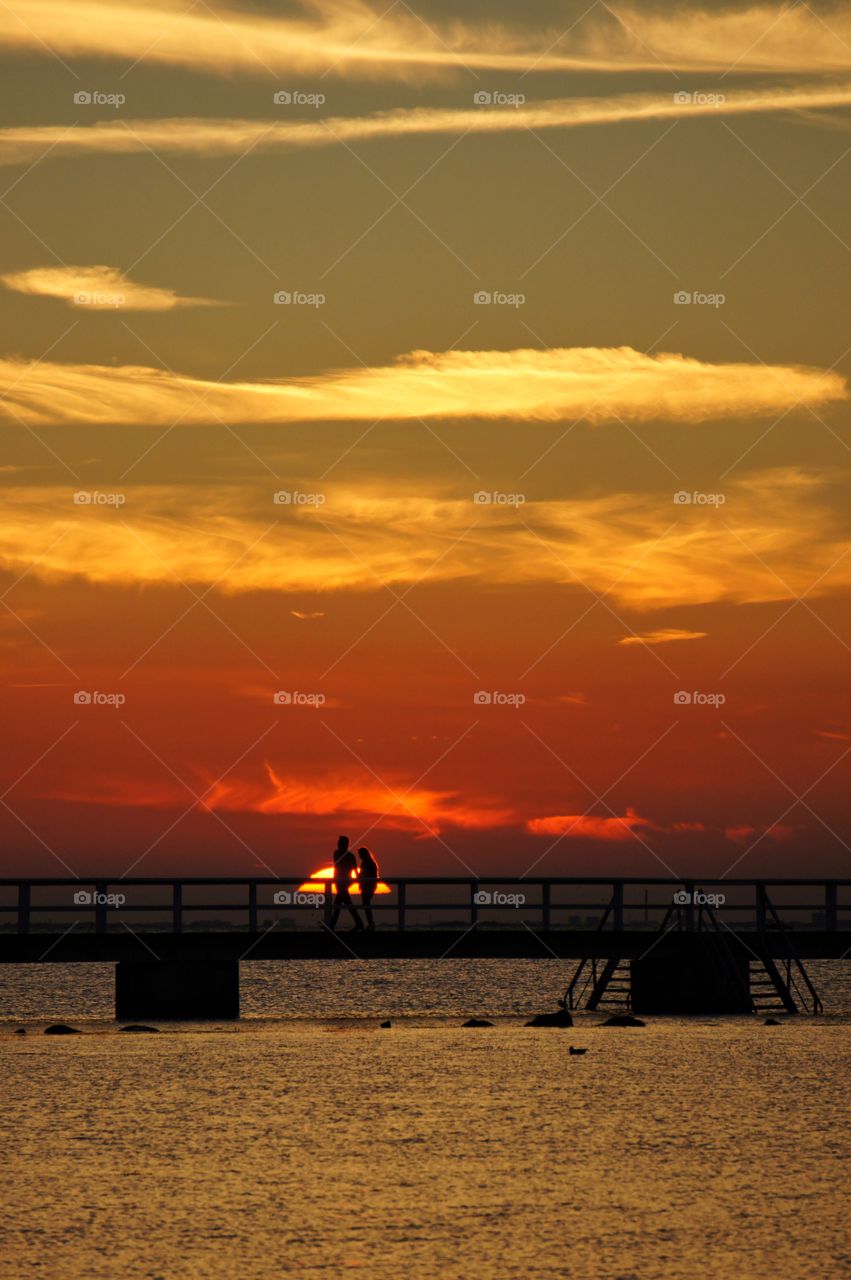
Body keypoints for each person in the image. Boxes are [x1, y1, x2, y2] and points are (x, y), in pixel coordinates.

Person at [330, 835, 363, 932]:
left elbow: (353, 869)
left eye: (340, 843)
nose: (339, 845)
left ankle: (331, 925)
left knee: (338, 903)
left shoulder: (342, 854)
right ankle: (358, 923)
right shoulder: (346, 855)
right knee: (344, 902)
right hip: (340, 881)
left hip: (344, 882)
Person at [358, 847, 380, 931]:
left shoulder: (367, 863)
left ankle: (371, 923)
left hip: (367, 887)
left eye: (360, 854)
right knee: (366, 904)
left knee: (366, 904)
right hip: (368, 886)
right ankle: (370, 923)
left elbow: (365, 874)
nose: (359, 856)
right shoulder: (370, 863)